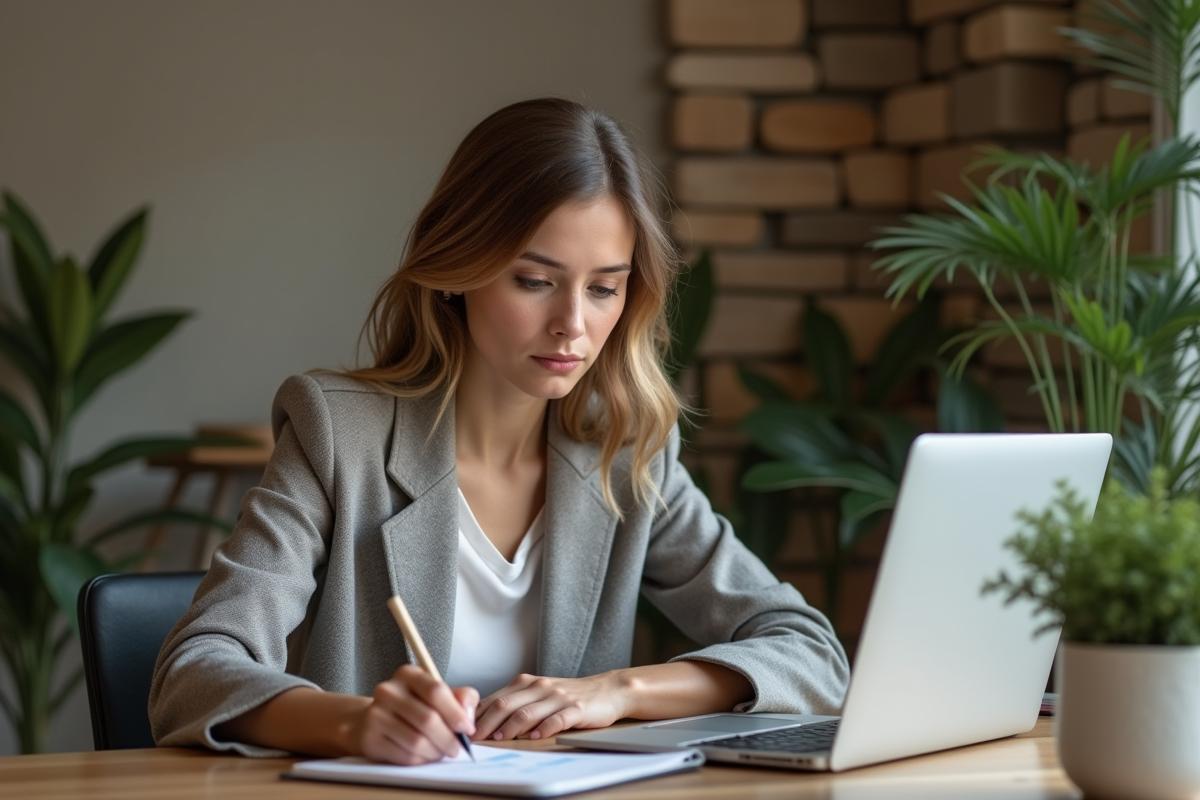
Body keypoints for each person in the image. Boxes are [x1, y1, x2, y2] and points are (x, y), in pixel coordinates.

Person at [149, 97, 849, 765]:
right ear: (459, 270)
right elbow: (196, 670)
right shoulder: (339, 435)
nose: (573, 325)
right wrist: (356, 722)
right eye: (534, 280)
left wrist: (619, 692)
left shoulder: (626, 456)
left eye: (604, 288)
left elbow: (811, 652)